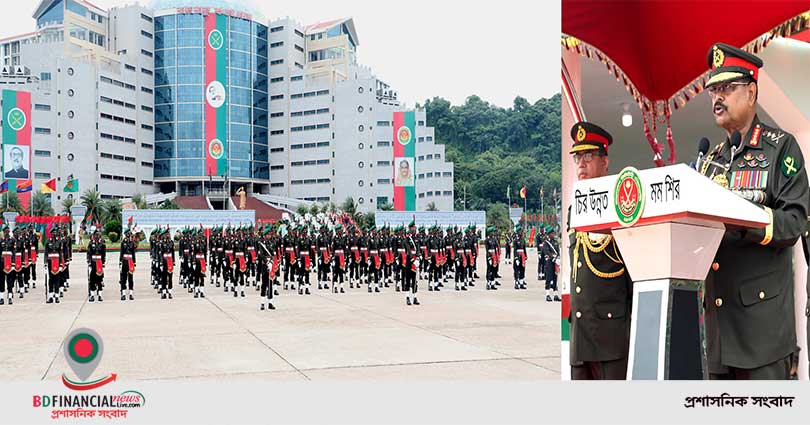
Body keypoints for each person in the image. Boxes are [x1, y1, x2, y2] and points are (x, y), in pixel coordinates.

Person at [699, 43, 808, 380]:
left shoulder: (781, 148)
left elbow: (794, 221)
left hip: (761, 333)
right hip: (718, 330)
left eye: (727, 89)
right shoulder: (711, 159)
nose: (718, 97)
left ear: (751, 92)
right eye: (713, 90)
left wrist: (744, 217)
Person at [567, 121, 633, 380]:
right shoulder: (576, 209)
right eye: (577, 157)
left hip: (610, 335)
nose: (581, 163)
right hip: (580, 334)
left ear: (605, 161)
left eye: (589, 156)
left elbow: (632, 272)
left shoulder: (622, 204)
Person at [86, 229, 106, 302]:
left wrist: (103, 263)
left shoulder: (102, 244)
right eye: (96, 235)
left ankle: (100, 295)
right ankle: (92, 295)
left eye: (98, 235)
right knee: (92, 280)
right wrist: (89, 261)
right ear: (94, 236)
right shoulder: (91, 243)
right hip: (93, 263)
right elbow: (89, 253)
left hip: (99, 263)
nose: (97, 236)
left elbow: (103, 254)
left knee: (99, 279)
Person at [542, 226, 560, 302]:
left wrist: (558, 259)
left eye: (553, 233)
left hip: (556, 262)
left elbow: (558, 251)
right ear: (548, 234)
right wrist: (554, 259)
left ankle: (555, 294)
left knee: (555, 277)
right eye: (552, 233)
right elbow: (547, 252)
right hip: (549, 262)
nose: (553, 234)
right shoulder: (546, 243)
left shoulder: (555, 241)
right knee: (549, 278)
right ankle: (547, 294)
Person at [119, 228, 136, 301]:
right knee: (123, 278)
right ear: (125, 234)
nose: (128, 235)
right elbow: (121, 252)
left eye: (129, 233)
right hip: (125, 261)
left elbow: (133, 253)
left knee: (131, 278)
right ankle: (123, 294)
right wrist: (120, 262)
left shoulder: (132, 243)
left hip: (130, 262)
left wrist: (134, 262)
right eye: (127, 233)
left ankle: (131, 294)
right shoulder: (123, 243)